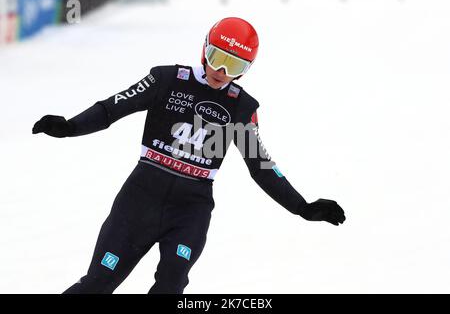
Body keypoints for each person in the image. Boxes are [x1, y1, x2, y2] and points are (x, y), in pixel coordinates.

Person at [32, 17, 346, 294]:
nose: (221, 72)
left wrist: (301, 207)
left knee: (171, 282)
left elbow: (261, 166)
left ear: (247, 70)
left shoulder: (241, 107)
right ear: (204, 49)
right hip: (138, 201)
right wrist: (70, 127)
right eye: (216, 57)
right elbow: (113, 108)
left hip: (189, 211)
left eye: (234, 66)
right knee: (98, 282)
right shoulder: (166, 79)